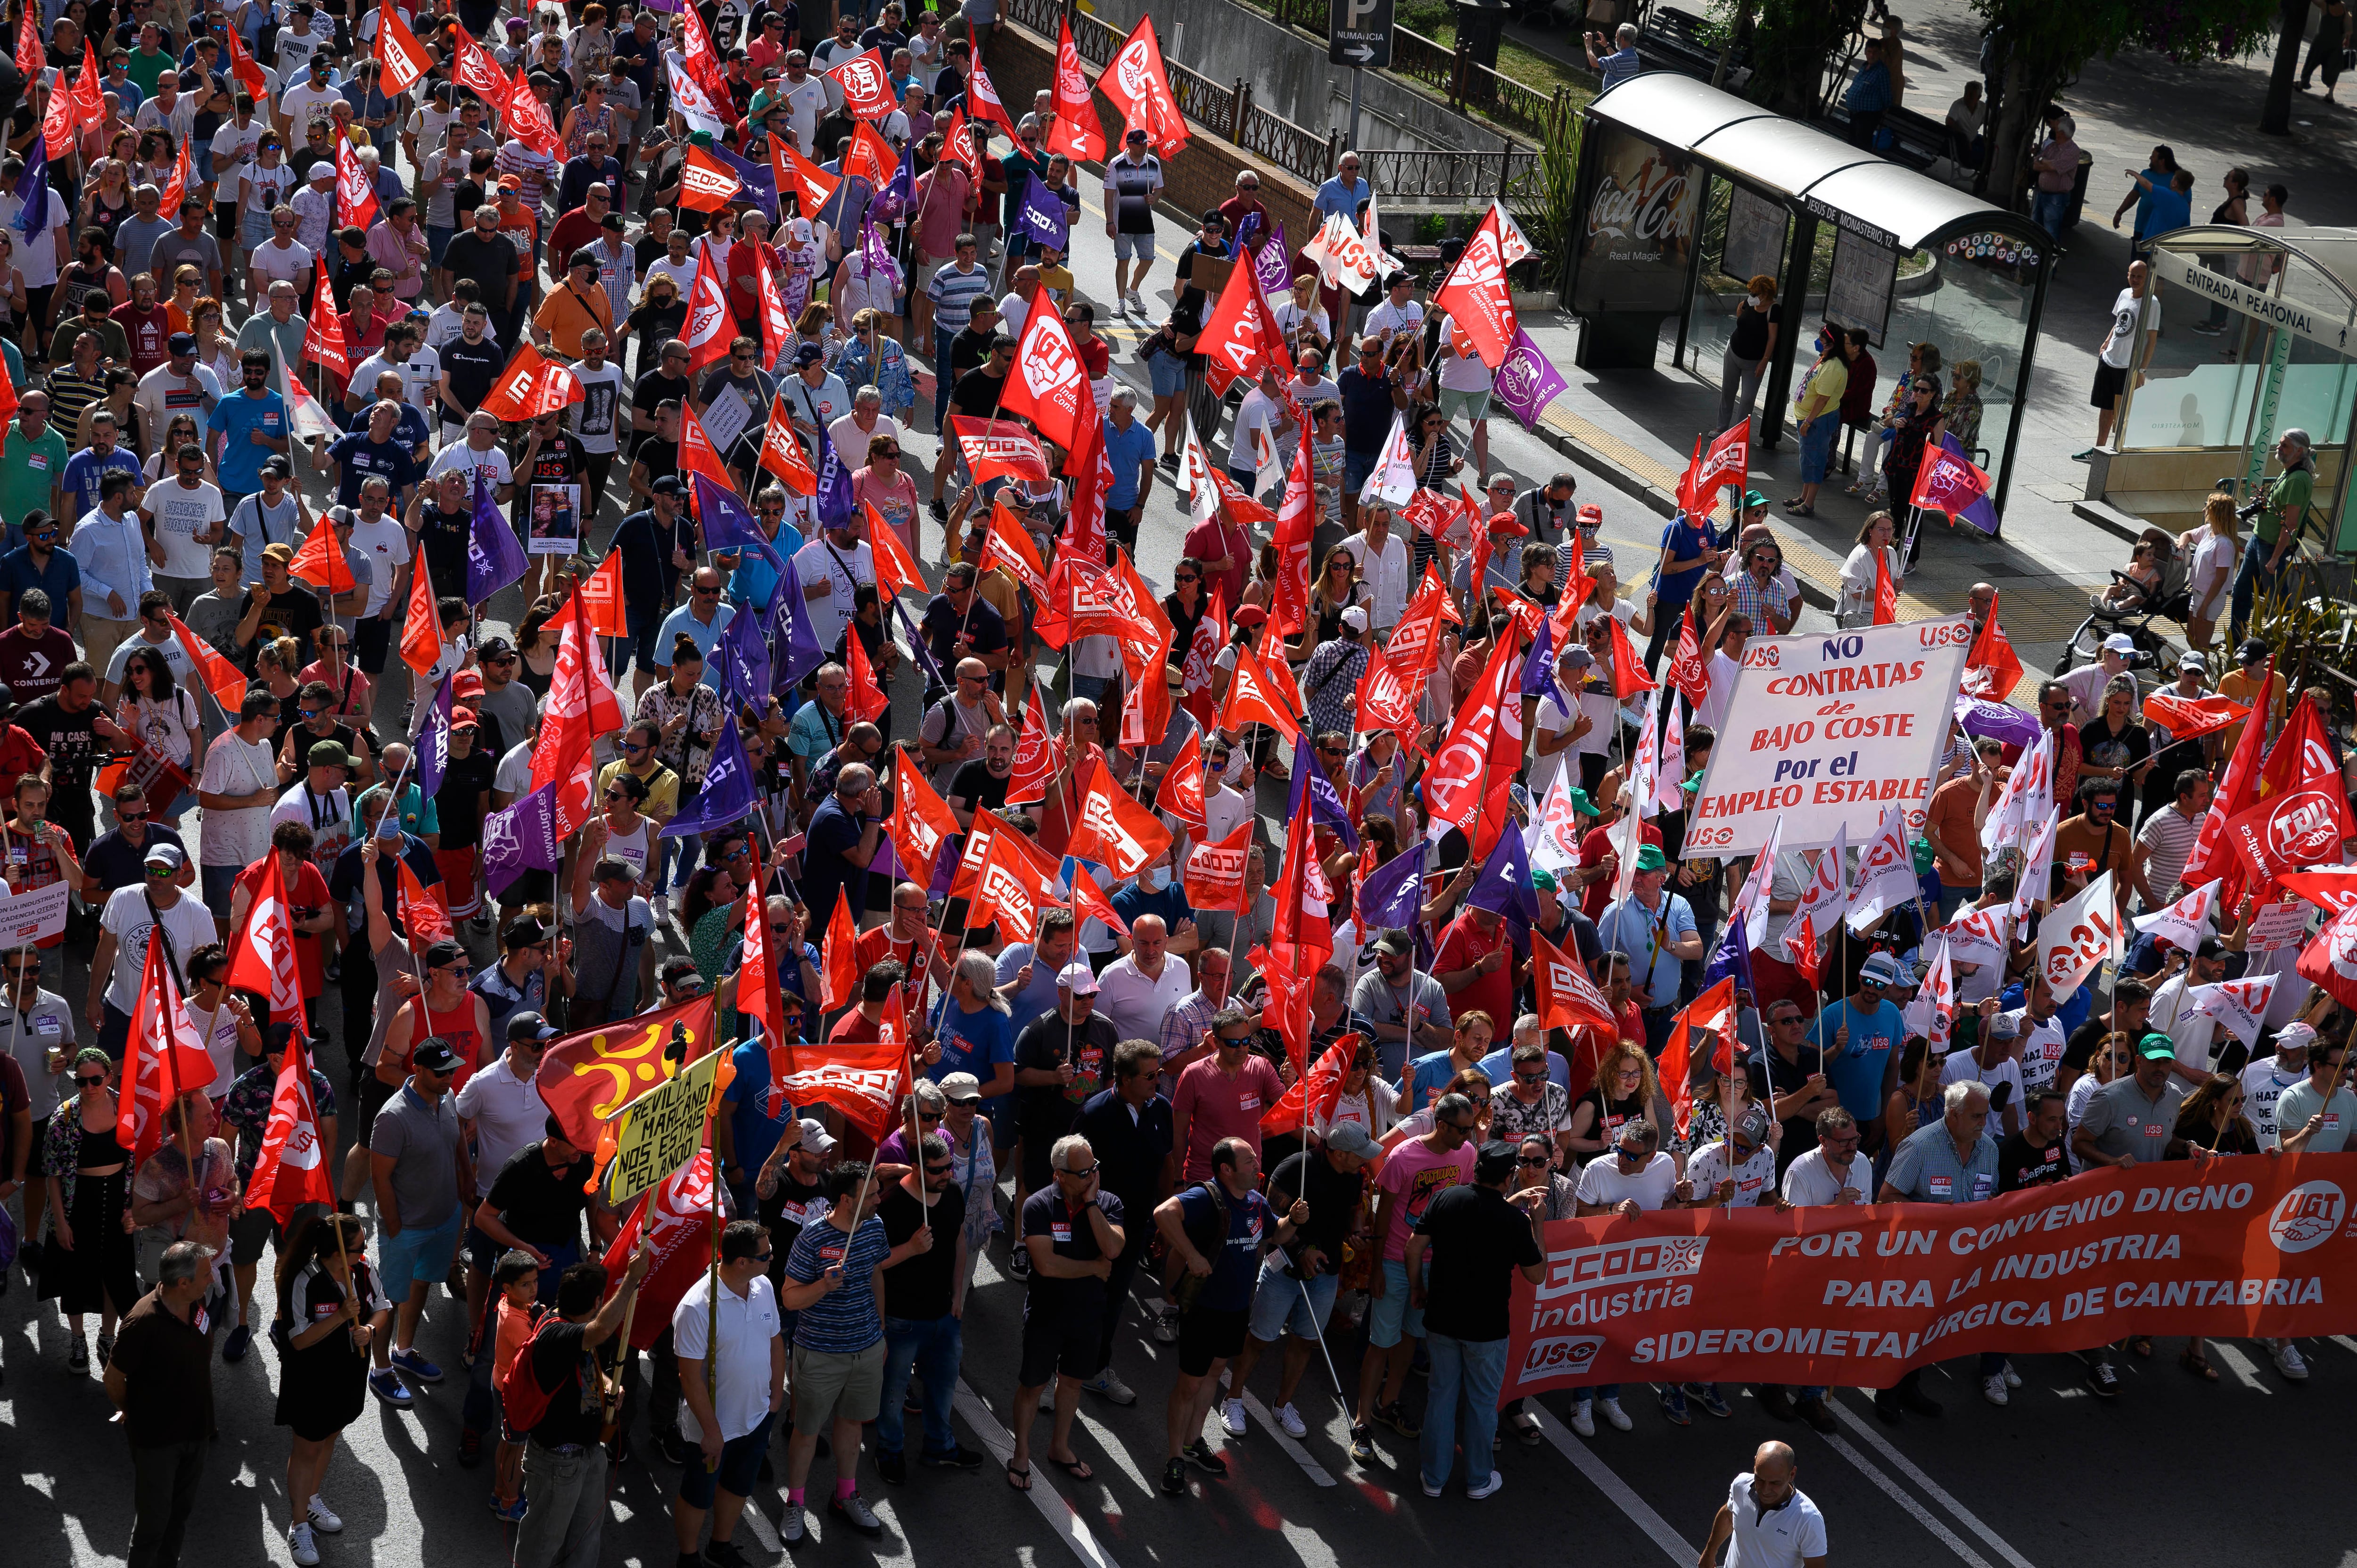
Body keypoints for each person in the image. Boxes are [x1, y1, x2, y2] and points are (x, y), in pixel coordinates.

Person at [777, 1160, 922, 1543]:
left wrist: (881, 1329)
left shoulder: (874, 1226)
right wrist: (823, 1286)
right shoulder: (811, 1239)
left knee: (852, 1424)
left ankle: (845, 1495)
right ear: (846, 1199)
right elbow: (789, 1298)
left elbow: (876, 1272)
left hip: (867, 1348)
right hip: (820, 1353)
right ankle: (795, 1503)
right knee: (806, 1432)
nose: (880, 1197)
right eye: (872, 1193)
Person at [1154, 1135, 1302, 1497]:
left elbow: (1276, 1233)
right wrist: (1191, 1254)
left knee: (1216, 1373)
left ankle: (1193, 1442)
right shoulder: (1206, 1198)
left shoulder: (1256, 1201)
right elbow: (1162, 1213)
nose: (1257, 1164)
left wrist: (1292, 1220)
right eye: (1249, 1160)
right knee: (1189, 1384)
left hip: (1236, 1309)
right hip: (1204, 1310)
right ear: (1227, 1169)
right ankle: (1174, 1457)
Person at [1406, 1138, 1546, 1499]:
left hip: (1441, 1318)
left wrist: (1417, 1288)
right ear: (1509, 1177)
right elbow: (1537, 1274)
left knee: (1441, 1398)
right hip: (1487, 1328)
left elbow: (1413, 1247)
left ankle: (1433, 1479)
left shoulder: (1445, 1198)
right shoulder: (1515, 1221)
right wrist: (1538, 1224)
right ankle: (1479, 1480)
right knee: (1483, 1404)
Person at [1349, 1089, 1477, 1463]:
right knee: (1380, 1343)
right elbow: (1383, 1214)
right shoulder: (1404, 1156)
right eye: (1461, 1130)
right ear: (1441, 1125)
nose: (1467, 1138)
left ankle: (1389, 1405)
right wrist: (1375, 1268)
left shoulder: (1466, 1155)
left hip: (1433, 1266)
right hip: (1393, 1263)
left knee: (1410, 1338)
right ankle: (1362, 1420)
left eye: (1470, 1130)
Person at [507, 1247, 654, 1568]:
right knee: (542, 1545)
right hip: (557, 1464)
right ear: (598, 1303)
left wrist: (604, 1384)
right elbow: (600, 1331)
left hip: (588, 1453)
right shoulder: (559, 1333)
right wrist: (631, 1279)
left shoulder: (564, 1322)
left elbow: (583, 1360)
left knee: (586, 1538)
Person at [1008, 1132, 1126, 1491]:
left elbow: (1113, 1249)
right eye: (1083, 1172)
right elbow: (1046, 1265)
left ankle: (1059, 1446)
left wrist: (1091, 1205)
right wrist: (1092, 1268)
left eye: (1095, 1168)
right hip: (1047, 1313)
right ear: (1059, 1174)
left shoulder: (1108, 1202)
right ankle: (1021, 1453)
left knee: (1072, 1382)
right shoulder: (1038, 1205)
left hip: (1088, 1314)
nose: (1092, 1176)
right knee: (1033, 1386)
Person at [1877, 1079, 2000, 1417]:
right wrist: (1938, 1217)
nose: (1982, 1123)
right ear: (1953, 1115)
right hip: (1917, 1258)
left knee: (1930, 1327)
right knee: (1904, 1326)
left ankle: (1911, 1386)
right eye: (1976, 1116)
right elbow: (1886, 1198)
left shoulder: (1989, 1149)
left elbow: (1990, 1198)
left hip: (1960, 1263)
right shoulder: (1919, 1146)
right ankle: (1886, 1392)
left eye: (1985, 1116)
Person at [672, 1219, 786, 1568]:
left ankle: (719, 1547)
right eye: (766, 1255)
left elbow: (775, 1341)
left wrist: (776, 1397)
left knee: (738, 1487)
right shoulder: (697, 1307)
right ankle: (688, 1556)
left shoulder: (763, 1285)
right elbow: (689, 1377)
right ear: (742, 1261)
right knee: (698, 1495)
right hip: (713, 1428)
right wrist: (711, 1431)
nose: (772, 1259)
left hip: (756, 1417)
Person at [273, 1213, 386, 1568]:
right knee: (306, 1448)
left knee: (330, 1438)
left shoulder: (364, 1270)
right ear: (337, 1251)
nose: (365, 1251)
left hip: (348, 1375)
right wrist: (340, 1317)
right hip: (311, 1380)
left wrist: (368, 1328)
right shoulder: (303, 1280)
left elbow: (384, 1308)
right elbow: (299, 1340)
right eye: (359, 1246)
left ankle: (310, 1498)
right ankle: (299, 1524)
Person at [367, 1037, 473, 1409]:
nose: (450, 1077)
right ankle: (380, 1371)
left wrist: (467, 1176)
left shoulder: (447, 1096)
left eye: (452, 1070)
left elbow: (457, 1135)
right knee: (390, 1301)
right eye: (442, 1072)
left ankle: (404, 1350)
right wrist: (395, 1226)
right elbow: (379, 1177)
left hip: (444, 1219)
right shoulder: (392, 1117)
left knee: (422, 1282)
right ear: (419, 1070)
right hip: (407, 1229)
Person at [874, 1130, 982, 1481]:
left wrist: (958, 1294)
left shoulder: (950, 1194)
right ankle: (889, 1450)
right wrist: (910, 1248)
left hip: (944, 1315)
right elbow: (873, 1263)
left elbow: (960, 1239)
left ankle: (940, 1445)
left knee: (943, 1385)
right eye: (937, 1170)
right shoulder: (890, 1205)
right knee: (893, 1392)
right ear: (917, 1167)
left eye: (949, 1167)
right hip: (902, 1318)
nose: (947, 1175)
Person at [106, 1239, 219, 1568]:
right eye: (205, 1275)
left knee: (179, 1516)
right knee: (153, 1526)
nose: (211, 1279)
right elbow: (113, 1379)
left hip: (197, 1430)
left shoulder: (194, 1303)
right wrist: (134, 1409)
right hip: (158, 1441)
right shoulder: (142, 1322)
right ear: (183, 1283)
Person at [1698, 1442, 1829, 1568]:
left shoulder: (1808, 1519)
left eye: (1775, 1483)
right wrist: (1710, 1552)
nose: (1765, 1490)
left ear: (1792, 1475)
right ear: (1755, 1465)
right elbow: (1728, 1516)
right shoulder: (1741, 1485)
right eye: (1760, 1479)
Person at [2078, 260, 2158, 459]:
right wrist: (2106, 343)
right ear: (2128, 275)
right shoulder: (2124, 294)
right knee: (2105, 409)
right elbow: (2118, 323)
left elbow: (2152, 340)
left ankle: (2119, 452)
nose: (2136, 280)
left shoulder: (2152, 303)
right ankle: (2098, 450)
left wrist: (2142, 370)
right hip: (2109, 359)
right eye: (2133, 275)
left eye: (2140, 276)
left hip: (2128, 367)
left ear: (2147, 278)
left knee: (2122, 415)